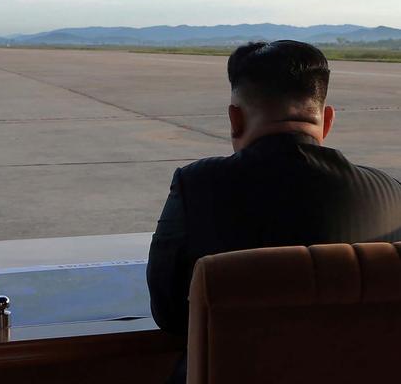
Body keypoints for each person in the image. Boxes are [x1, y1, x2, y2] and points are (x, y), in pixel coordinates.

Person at [146, 40, 401, 380]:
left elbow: (169, 314)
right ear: (326, 120)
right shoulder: (391, 195)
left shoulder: (198, 185)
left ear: (235, 119)